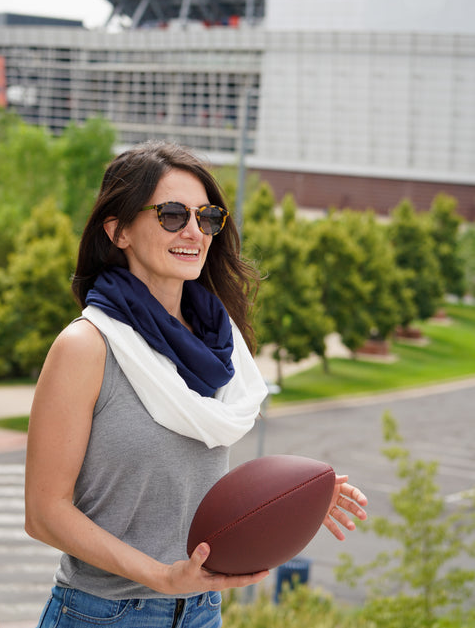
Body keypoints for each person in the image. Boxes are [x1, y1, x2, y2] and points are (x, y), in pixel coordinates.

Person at [25, 141, 367, 628]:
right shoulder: (87, 346)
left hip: (202, 612)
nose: (193, 231)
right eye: (170, 215)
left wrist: (296, 496)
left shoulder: (215, 343)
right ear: (117, 229)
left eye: (206, 217)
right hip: (105, 614)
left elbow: (185, 468)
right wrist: (160, 576)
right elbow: (44, 513)